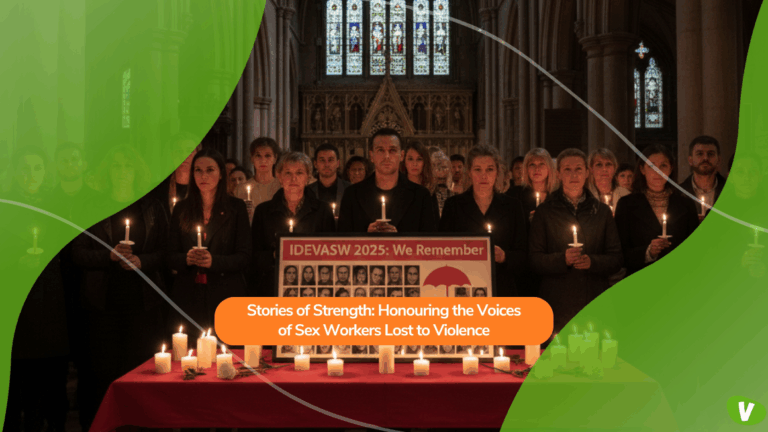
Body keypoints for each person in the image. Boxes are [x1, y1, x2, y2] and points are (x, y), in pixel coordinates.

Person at [71, 145, 166, 431]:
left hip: (143, 304)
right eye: (116, 166)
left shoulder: (152, 205)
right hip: (103, 303)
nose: (122, 172)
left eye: (128, 166)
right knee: (103, 373)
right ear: (107, 172)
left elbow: (165, 251)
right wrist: (109, 256)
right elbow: (77, 253)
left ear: (137, 172)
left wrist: (142, 260)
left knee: (138, 370)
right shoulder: (92, 205)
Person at [3, 146, 70, 432]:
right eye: (25, 168)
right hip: (17, 310)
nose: (32, 175)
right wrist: (17, 262)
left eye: (38, 168)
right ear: (15, 172)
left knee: (52, 387)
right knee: (18, 387)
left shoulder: (58, 206)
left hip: (53, 307)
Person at [529, 148, 623, 333]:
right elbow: (534, 260)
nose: (573, 175)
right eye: (567, 170)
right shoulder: (545, 212)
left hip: (594, 298)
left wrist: (592, 261)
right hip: (557, 301)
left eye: (579, 169)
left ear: (587, 173)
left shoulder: (602, 212)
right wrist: (561, 259)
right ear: (558, 174)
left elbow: (616, 257)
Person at [167, 148, 251, 330]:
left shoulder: (236, 208)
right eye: (198, 170)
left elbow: (244, 256)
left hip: (225, 294)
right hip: (188, 295)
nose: (203, 176)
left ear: (221, 174)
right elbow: (169, 254)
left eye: (210, 170)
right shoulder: (181, 209)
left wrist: (214, 261)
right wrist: (186, 259)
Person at [440, 145, 528, 297]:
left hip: (502, 289)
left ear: (497, 172)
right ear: (469, 172)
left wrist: (504, 256)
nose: (484, 176)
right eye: (478, 169)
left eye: (489, 169)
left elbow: (524, 255)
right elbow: (442, 250)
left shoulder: (512, 206)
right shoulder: (453, 206)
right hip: (464, 288)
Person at [252, 152, 335, 296]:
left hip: (311, 288)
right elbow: (253, 254)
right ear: (279, 176)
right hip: (273, 287)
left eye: (299, 173)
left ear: (308, 177)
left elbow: (332, 252)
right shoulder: (263, 211)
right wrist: (274, 254)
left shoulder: (322, 210)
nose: (293, 178)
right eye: (288, 173)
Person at [614, 144, 699, 276]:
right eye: (651, 166)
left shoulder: (685, 204)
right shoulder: (627, 205)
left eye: (663, 166)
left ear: (671, 169)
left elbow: (695, 248)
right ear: (642, 169)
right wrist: (648, 252)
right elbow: (619, 254)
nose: (658, 171)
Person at [338, 128, 437, 233]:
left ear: (401, 156)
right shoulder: (352, 194)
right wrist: (366, 237)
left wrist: (398, 240)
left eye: (392, 150)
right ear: (372, 156)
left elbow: (429, 243)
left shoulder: (421, 195)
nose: (386, 156)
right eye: (380, 150)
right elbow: (342, 241)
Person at [235, 137, 282, 223]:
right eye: (258, 156)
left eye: (267, 156)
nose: (263, 160)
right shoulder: (241, 189)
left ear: (275, 158)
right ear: (252, 159)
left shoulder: (281, 187)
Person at [679, 135, 726, 219]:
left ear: (718, 160)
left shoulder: (729, 191)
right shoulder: (679, 193)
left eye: (710, 154)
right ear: (690, 160)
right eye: (699, 154)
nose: (705, 158)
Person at [506, 148, 558, 219]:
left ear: (549, 168)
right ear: (526, 169)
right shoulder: (515, 195)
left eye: (541, 164)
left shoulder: (557, 197)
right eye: (532, 165)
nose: (537, 169)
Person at [432, 150, 455, 216]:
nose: (441, 170)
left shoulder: (452, 193)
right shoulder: (428, 193)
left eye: (444, 167)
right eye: (438, 167)